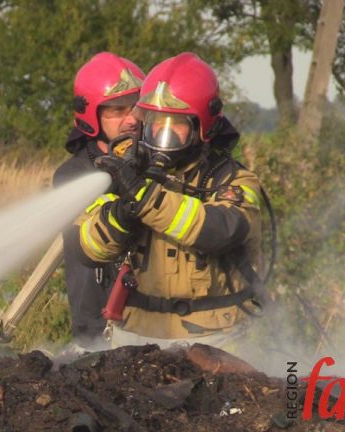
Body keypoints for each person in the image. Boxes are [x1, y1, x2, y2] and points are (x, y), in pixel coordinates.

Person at [74, 52, 265, 349]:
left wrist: (145, 198)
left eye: (176, 122)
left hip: (215, 340)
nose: (162, 132)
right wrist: (122, 212)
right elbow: (88, 249)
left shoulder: (232, 180)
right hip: (134, 337)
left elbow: (219, 231)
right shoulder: (128, 173)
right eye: (154, 120)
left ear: (203, 125)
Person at [52, 52, 145, 351]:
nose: (131, 120)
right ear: (91, 116)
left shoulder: (155, 165)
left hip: (151, 324)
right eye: (117, 111)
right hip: (99, 327)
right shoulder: (73, 176)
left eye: (136, 108)